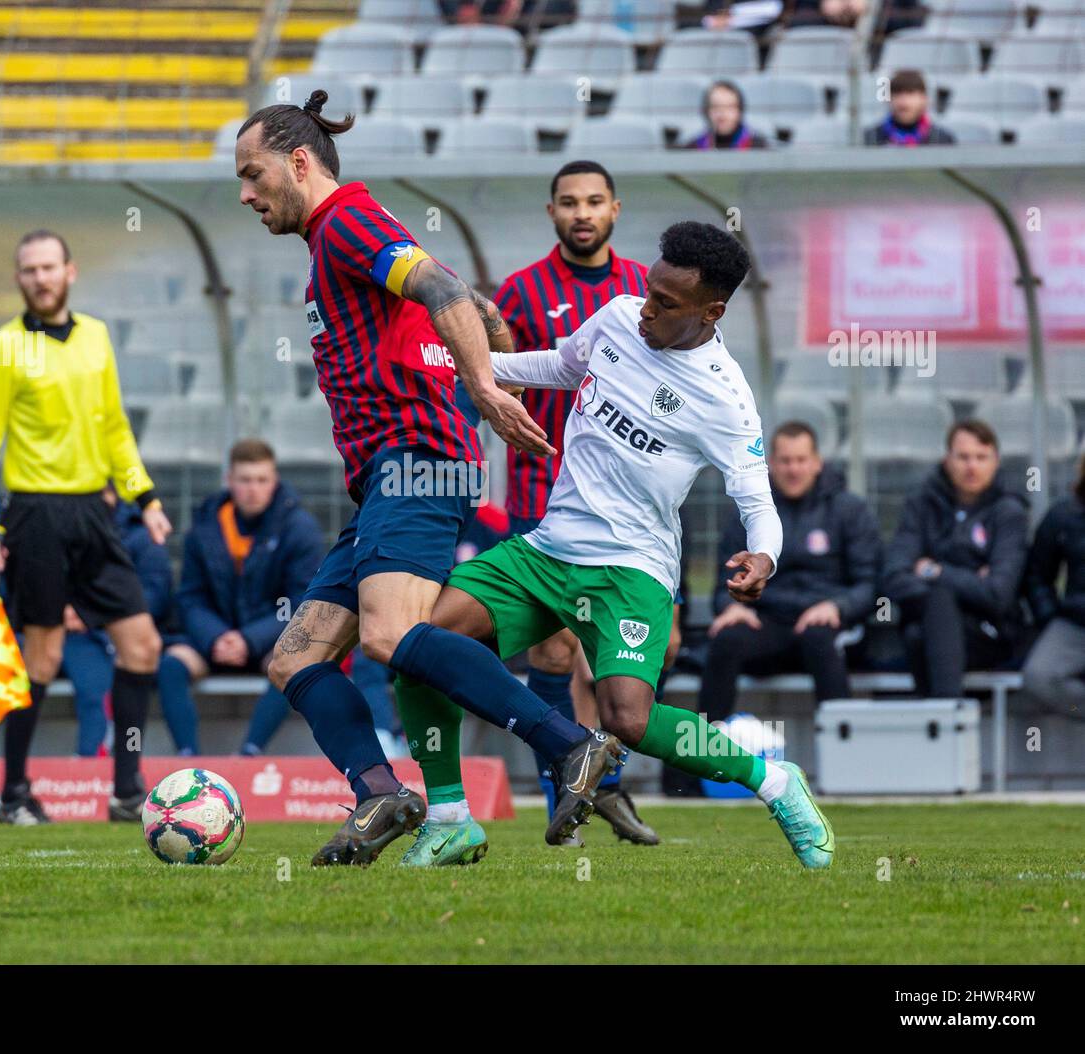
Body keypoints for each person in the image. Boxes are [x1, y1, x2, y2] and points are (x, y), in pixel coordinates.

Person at [236, 89, 622, 866]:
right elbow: (473, 299)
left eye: (252, 174)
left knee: (389, 635)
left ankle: (569, 744)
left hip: (416, 462)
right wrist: (500, 366)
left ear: (299, 160)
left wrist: (483, 390)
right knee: (294, 658)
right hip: (388, 476)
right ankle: (381, 791)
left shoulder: (346, 219)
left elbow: (445, 294)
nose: (247, 195)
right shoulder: (339, 238)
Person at [396, 221, 835, 870]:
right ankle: (451, 818)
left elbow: (755, 498)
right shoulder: (620, 316)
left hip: (632, 570)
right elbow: (561, 366)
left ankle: (775, 781)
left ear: (711, 313)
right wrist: (472, 369)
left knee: (627, 717)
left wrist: (764, 554)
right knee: (423, 647)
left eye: (666, 303)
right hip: (546, 549)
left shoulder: (725, 398)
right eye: (650, 290)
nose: (647, 309)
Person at [403, 159, 656, 858]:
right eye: (569, 202)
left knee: (615, 668)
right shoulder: (519, 292)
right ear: (552, 212)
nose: (582, 213)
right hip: (540, 504)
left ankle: (603, 780)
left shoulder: (645, 294)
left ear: (615, 208)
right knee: (549, 647)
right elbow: (476, 375)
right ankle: (564, 806)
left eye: (594, 201)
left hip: (628, 513)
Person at [0, 229, 172, 826]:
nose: (40, 277)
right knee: (42, 658)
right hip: (34, 518)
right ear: (19, 279)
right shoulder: (2, 347)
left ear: (70, 272)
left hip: (95, 513)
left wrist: (146, 495)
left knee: (141, 646)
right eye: (29, 269)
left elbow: (114, 428)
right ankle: (14, 794)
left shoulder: (97, 337)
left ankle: (128, 789)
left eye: (49, 267)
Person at [698, 421, 881, 721]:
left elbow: (869, 585)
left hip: (829, 626)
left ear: (817, 463)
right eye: (785, 461)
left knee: (821, 638)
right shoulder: (750, 512)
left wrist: (837, 606)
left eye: (801, 460)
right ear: (771, 464)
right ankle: (697, 756)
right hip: (767, 622)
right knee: (726, 640)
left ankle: (844, 758)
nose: (793, 469)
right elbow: (725, 580)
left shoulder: (849, 510)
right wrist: (732, 606)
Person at [160, 439, 323, 756]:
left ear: (274, 482)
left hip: (268, 641)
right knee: (171, 665)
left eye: (262, 480)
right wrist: (216, 636)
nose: (253, 489)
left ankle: (249, 754)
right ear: (229, 481)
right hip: (214, 640)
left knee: (292, 661)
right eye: (245, 480)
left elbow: (301, 603)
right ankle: (186, 758)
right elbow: (190, 597)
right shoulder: (205, 525)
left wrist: (249, 639)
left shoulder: (299, 528)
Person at [884, 420, 1028, 698]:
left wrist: (933, 571)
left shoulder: (1009, 512)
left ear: (996, 461)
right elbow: (894, 576)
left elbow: (998, 593)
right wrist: (972, 581)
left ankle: (942, 719)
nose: (971, 466)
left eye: (980, 457)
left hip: (989, 634)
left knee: (926, 623)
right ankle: (947, 720)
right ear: (947, 459)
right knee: (933, 613)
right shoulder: (921, 505)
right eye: (963, 457)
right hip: (930, 626)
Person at [60, 485, 177, 757]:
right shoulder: (59, 527)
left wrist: (92, 613)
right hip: (69, 634)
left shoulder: (140, 534)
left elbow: (155, 595)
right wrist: (58, 609)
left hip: (118, 634)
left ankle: (115, 769)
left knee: (112, 686)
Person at [1021, 456, 1085, 719]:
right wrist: (1049, 617)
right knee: (1039, 676)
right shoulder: (1064, 514)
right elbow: (1036, 575)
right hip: (1076, 623)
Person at [864, 70, 955, 146]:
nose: (903, 101)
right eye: (897, 94)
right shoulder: (870, 138)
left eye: (910, 93)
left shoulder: (942, 139)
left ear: (924, 99)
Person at [683, 81, 770, 151]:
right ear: (706, 111)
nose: (722, 114)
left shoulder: (760, 149)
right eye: (715, 107)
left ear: (739, 111)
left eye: (729, 107)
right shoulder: (691, 150)